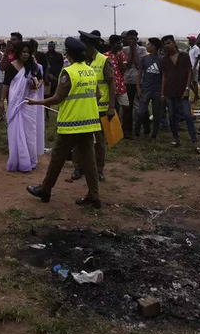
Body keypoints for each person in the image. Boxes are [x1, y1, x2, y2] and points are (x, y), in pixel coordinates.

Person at [25, 37, 101, 208]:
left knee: (57, 158)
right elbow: (98, 95)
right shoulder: (90, 71)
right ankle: (94, 195)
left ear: (69, 54)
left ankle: (45, 189)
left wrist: (36, 102)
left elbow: (58, 98)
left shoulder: (68, 72)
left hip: (71, 124)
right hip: (89, 123)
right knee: (89, 160)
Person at [70, 30, 113, 182]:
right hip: (82, 108)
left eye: (84, 46)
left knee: (99, 142)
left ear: (90, 46)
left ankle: (99, 169)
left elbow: (111, 84)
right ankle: (78, 168)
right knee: (77, 139)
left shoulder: (103, 60)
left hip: (100, 108)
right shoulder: (79, 61)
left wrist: (111, 107)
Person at [4, 40, 46, 172]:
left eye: (28, 52)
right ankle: (18, 160)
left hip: (30, 104)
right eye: (23, 52)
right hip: (16, 104)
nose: (26, 55)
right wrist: (1, 101)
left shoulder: (33, 66)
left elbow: (40, 79)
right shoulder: (11, 67)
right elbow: (6, 85)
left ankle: (31, 161)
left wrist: (36, 85)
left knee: (29, 133)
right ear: (18, 53)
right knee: (16, 131)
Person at [159, 34, 200, 152]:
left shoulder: (184, 56)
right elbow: (164, 77)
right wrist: (162, 93)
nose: (167, 46)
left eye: (168, 43)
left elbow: (189, 73)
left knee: (187, 115)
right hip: (169, 92)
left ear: (174, 43)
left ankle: (194, 140)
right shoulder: (165, 60)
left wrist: (187, 89)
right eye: (165, 44)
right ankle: (176, 138)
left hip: (182, 92)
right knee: (172, 116)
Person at [135, 37, 166, 138]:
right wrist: (138, 88)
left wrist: (162, 92)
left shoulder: (162, 59)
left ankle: (154, 134)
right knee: (141, 112)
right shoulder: (144, 59)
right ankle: (137, 131)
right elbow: (139, 74)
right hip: (145, 89)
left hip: (157, 90)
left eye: (148, 44)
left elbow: (164, 77)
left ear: (154, 46)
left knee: (157, 114)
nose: (147, 46)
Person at [106, 34, 132, 139]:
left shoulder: (122, 55)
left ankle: (123, 130)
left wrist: (120, 58)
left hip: (121, 85)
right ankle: (112, 132)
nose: (120, 45)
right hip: (109, 87)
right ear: (112, 44)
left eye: (121, 43)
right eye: (118, 43)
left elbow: (123, 69)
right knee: (112, 109)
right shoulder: (105, 56)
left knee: (126, 107)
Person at [122, 30, 141, 135]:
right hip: (127, 81)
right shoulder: (124, 50)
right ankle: (127, 129)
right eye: (129, 38)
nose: (131, 40)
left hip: (138, 81)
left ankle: (139, 128)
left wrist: (134, 50)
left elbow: (139, 64)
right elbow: (127, 65)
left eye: (133, 38)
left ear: (136, 38)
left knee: (139, 106)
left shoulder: (142, 49)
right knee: (127, 106)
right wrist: (131, 51)